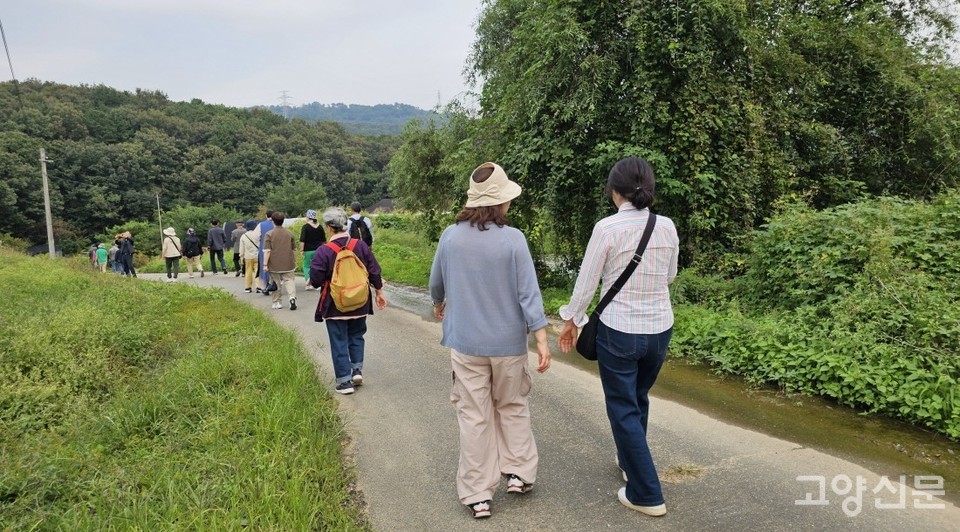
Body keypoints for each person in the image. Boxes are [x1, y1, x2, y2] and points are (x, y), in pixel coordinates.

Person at [428, 162, 552, 519]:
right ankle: (519, 473)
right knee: (512, 405)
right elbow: (528, 293)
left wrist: (439, 304)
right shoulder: (513, 239)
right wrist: (541, 339)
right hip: (509, 344)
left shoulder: (451, 236)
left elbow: (437, 282)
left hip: (466, 343)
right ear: (501, 202)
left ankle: (478, 494)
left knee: (474, 415)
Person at [557, 156, 679, 517]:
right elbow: (669, 276)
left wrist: (571, 319)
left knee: (623, 407)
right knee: (638, 397)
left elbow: (587, 282)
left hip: (620, 331)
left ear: (614, 192)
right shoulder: (667, 226)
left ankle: (646, 493)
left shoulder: (607, 229)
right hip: (659, 329)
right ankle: (630, 461)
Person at [309, 207, 387, 395]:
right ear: (345, 224)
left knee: (339, 340)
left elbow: (317, 279)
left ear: (329, 228)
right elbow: (374, 270)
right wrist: (379, 292)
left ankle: (344, 382)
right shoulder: (360, 246)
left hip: (335, 304)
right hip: (360, 301)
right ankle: (356, 370)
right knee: (357, 335)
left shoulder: (324, 251)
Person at [263, 211, 298, 310]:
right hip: (288, 262)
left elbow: (267, 251)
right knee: (289, 280)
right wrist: (294, 261)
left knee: (276, 282)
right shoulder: (289, 233)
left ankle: (277, 302)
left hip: (274, 264)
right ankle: (292, 298)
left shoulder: (269, 234)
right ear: (283, 221)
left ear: (272, 221)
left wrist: (265, 264)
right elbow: (293, 249)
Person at [299, 209, 326, 290]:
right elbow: (324, 240)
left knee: (307, 266)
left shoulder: (305, 227)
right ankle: (318, 283)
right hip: (319, 250)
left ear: (308, 217)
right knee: (318, 266)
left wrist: (301, 250)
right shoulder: (320, 227)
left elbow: (302, 240)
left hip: (308, 250)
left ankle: (309, 283)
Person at [239, 220, 260, 293]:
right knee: (258, 271)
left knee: (248, 271)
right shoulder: (258, 235)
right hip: (257, 256)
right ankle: (258, 287)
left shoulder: (244, 236)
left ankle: (248, 287)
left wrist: (241, 257)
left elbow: (241, 248)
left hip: (247, 257)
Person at [257, 210, 275, 294]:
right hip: (276, 249)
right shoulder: (277, 224)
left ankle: (265, 287)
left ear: (266, 215)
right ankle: (273, 284)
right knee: (274, 266)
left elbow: (255, 236)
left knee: (264, 266)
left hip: (264, 248)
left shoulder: (261, 224)